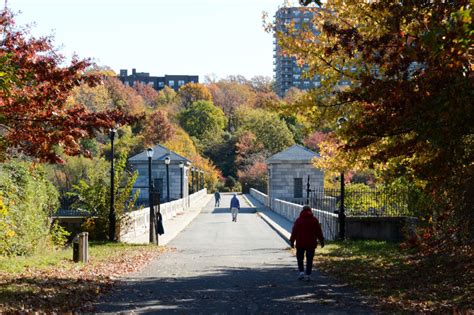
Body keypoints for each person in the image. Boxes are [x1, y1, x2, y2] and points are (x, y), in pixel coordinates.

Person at [290, 205, 324, 281]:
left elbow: (294, 231)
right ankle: (308, 275)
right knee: (309, 259)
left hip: (300, 243)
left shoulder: (299, 220)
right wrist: (321, 241)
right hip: (311, 243)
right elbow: (318, 232)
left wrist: (292, 241)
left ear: (302, 211)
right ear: (310, 211)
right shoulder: (314, 220)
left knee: (300, 258)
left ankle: (301, 272)